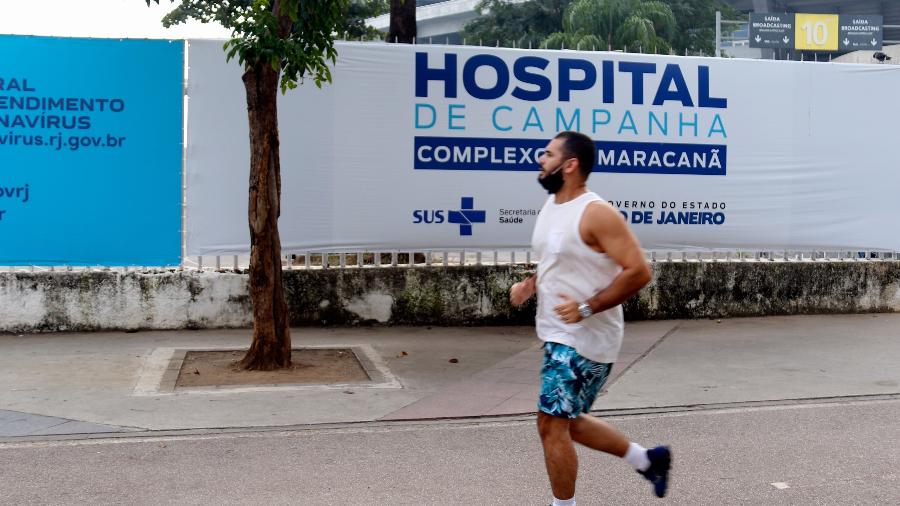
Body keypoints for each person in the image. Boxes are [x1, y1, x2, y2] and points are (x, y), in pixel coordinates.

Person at [509, 131, 670, 505]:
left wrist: (587, 308)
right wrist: (530, 284)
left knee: (551, 424)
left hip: (585, 338)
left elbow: (639, 271)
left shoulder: (596, 212)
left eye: (547, 154)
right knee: (567, 423)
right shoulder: (553, 205)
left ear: (570, 165)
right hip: (558, 333)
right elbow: (559, 260)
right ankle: (647, 459)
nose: (539, 159)